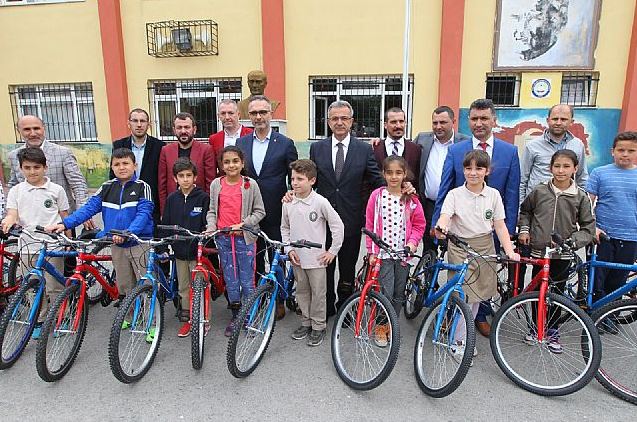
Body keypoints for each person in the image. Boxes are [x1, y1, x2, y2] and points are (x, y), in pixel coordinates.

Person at [432, 98, 521, 337]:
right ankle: (454, 320)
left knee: (483, 280)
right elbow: (445, 189)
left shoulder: (510, 152)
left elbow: (512, 195)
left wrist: (509, 237)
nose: (479, 123)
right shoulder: (456, 151)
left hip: (489, 230)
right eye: (474, 118)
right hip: (460, 232)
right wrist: (438, 225)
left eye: (484, 118)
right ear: (468, 121)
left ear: (494, 120)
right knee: (460, 282)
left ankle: (479, 317)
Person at [436, 150, 519, 361]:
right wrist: (442, 227)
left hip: (485, 246)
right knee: (463, 294)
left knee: (477, 296)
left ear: (487, 171)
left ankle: (462, 333)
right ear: (463, 170)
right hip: (460, 246)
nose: (473, 173)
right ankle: (458, 340)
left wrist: (509, 251)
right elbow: (445, 217)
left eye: (479, 168)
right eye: (468, 168)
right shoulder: (454, 194)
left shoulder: (493, 195)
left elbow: (499, 225)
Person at [47, 148, 154, 308]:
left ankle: (149, 316)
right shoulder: (106, 187)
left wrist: (128, 233)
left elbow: (143, 214)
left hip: (139, 243)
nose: (121, 167)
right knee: (125, 285)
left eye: (126, 163)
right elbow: (88, 209)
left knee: (144, 283)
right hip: (116, 242)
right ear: (112, 167)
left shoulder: (142, 187)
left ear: (135, 165)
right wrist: (65, 224)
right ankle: (129, 314)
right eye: (117, 164)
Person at [310, 100, 385, 316]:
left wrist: (397, 190)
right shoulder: (317, 148)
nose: (339, 122)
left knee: (347, 267)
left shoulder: (364, 149)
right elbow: (310, 180)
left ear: (352, 121)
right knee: (324, 267)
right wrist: (293, 193)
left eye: (344, 118)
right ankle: (326, 306)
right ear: (328, 122)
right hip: (323, 221)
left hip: (351, 219)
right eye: (335, 118)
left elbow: (376, 180)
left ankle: (345, 307)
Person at [518, 149, 595, 353]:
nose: (561, 171)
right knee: (537, 292)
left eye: (566, 166)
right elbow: (526, 211)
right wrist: (524, 229)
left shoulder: (580, 196)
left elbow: (588, 228)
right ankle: (536, 327)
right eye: (557, 166)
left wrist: (572, 242)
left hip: (563, 252)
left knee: (557, 292)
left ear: (575, 169)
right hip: (539, 251)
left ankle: (552, 330)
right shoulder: (540, 191)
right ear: (550, 168)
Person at [236, 95, 297, 319]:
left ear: (271, 114)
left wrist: (292, 192)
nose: (258, 117)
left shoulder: (285, 143)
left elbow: (294, 176)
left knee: (275, 256)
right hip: (249, 211)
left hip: (275, 209)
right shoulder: (241, 143)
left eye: (263, 112)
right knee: (253, 256)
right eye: (254, 113)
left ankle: (278, 299)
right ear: (248, 116)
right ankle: (259, 297)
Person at [2, 148, 70, 340]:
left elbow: (65, 217)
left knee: (54, 286)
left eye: (36, 167)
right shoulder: (16, 191)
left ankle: (61, 317)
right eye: (27, 168)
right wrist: (8, 221)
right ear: (21, 169)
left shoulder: (56, 190)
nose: (32, 172)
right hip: (27, 246)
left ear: (45, 167)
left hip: (53, 246)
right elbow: (12, 213)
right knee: (33, 286)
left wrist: (68, 240)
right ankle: (39, 319)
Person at [282, 159, 344, 347]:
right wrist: (288, 249)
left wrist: (332, 251)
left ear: (312, 180)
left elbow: (337, 226)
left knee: (318, 294)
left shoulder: (320, 202)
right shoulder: (288, 202)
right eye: (293, 179)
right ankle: (306, 322)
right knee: (302, 291)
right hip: (297, 258)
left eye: (300, 179)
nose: (295, 183)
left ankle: (318, 326)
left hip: (317, 259)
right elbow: (285, 228)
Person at [365, 156, 425, 347]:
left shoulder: (411, 199)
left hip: (403, 255)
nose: (394, 177)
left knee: (399, 292)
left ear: (404, 174)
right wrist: (372, 251)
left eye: (398, 173)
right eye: (389, 172)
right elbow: (370, 224)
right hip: (383, 254)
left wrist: (413, 243)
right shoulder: (377, 196)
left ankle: (392, 323)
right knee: (386, 291)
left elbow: (419, 225)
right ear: (383, 174)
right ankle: (381, 326)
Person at [206, 146, 266, 337]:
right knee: (231, 280)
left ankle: (249, 316)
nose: (231, 165)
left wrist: (243, 224)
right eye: (226, 162)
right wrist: (211, 226)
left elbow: (260, 212)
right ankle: (236, 316)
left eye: (235, 161)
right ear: (221, 165)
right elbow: (212, 211)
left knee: (247, 280)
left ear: (242, 163)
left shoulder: (250, 184)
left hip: (245, 239)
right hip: (224, 239)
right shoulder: (216, 184)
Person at [7, 115, 93, 229]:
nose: (33, 133)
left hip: (61, 219)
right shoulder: (14, 156)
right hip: (28, 221)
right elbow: (13, 184)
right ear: (19, 131)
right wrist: (8, 216)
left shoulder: (63, 153)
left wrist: (83, 212)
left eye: (36, 128)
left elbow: (78, 184)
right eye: (27, 129)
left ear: (44, 128)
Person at [587, 131, 637, 311]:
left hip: (631, 237)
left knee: (618, 281)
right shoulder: (599, 173)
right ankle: (594, 316)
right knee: (597, 281)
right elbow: (587, 204)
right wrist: (592, 228)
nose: (625, 154)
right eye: (621, 150)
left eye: (631, 151)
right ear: (612, 151)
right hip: (603, 236)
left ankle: (609, 316)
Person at [160, 158, 210, 338]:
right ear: (175, 179)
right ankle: (188, 320)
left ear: (195, 177)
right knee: (183, 288)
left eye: (189, 175)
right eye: (181, 176)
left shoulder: (203, 198)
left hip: (198, 253)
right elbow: (166, 224)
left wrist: (204, 239)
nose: (185, 179)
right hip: (179, 253)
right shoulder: (172, 199)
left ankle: (203, 319)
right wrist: (163, 247)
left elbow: (207, 223)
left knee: (200, 287)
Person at [414, 106, 471, 252]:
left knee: (455, 249)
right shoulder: (422, 139)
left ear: (453, 122)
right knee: (429, 248)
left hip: (456, 208)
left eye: (443, 122)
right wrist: (379, 143)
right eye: (435, 123)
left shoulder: (466, 143)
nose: (438, 126)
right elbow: (405, 152)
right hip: (429, 205)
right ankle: (430, 267)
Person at [520, 104, 588, 204]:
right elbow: (522, 180)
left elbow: (582, 178)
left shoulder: (578, 145)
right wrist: (521, 208)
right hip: (537, 204)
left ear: (571, 122)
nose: (558, 123)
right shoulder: (532, 146)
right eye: (555, 119)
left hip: (567, 205)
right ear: (548, 120)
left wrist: (581, 204)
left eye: (563, 119)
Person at [111, 108, 165, 223]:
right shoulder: (119, 145)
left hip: (151, 202)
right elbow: (113, 176)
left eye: (143, 121)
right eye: (135, 121)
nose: (139, 125)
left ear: (149, 124)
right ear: (129, 123)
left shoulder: (159, 146)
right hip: (125, 203)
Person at [158, 112, 216, 215]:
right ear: (174, 130)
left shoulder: (206, 150)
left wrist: (207, 210)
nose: (183, 131)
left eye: (187, 127)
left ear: (194, 129)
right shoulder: (166, 150)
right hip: (174, 206)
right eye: (179, 127)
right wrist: (164, 211)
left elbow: (210, 183)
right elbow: (162, 185)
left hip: (198, 206)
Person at [372, 107, 421, 188]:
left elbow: (418, 179)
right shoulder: (374, 148)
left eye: (401, 121)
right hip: (379, 195)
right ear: (385, 125)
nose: (398, 126)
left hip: (406, 195)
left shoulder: (416, 149)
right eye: (393, 122)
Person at [208, 99, 253, 175]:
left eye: (230, 113)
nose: (227, 117)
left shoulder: (251, 134)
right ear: (218, 116)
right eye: (223, 113)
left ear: (238, 114)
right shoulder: (214, 139)